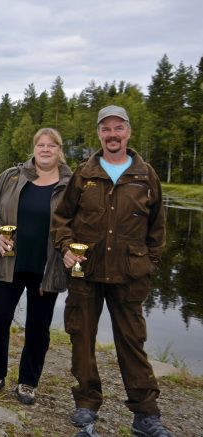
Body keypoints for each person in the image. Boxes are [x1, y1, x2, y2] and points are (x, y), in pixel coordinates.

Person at [52, 105, 172, 437]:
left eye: (118, 128)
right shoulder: (83, 174)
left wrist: (149, 266)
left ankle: (145, 414)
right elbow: (61, 219)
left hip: (130, 276)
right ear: (99, 134)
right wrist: (65, 248)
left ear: (128, 132)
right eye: (106, 129)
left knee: (133, 343)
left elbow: (158, 230)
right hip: (84, 273)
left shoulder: (146, 176)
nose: (113, 135)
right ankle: (86, 405)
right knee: (81, 340)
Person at [0, 128, 72, 405]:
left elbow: (80, 223)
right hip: (8, 263)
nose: (45, 150)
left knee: (38, 327)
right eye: (40, 145)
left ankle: (28, 382)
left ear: (59, 150)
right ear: (34, 148)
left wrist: (70, 249)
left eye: (51, 146)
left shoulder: (71, 184)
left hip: (47, 266)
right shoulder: (11, 177)